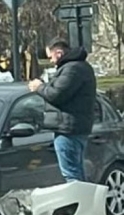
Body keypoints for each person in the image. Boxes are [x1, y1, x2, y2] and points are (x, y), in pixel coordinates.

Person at [28, 38, 96, 182]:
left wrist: (39, 87)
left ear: (59, 53)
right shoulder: (79, 67)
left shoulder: (72, 69)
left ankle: (80, 202)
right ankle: (84, 202)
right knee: (77, 172)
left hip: (68, 129)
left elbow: (56, 95)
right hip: (75, 127)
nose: (51, 61)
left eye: (50, 57)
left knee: (71, 175)